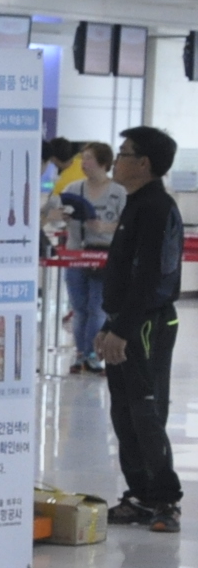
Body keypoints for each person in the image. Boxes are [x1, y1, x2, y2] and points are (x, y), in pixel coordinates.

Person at [100, 125, 184, 533]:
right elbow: (124, 274)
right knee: (124, 412)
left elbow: (150, 276)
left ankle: (165, 499)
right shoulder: (135, 203)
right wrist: (109, 324)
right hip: (126, 321)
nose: (116, 160)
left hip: (148, 323)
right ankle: (140, 496)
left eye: (123, 153)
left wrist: (124, 329)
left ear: (143, 163)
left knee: (146, 412)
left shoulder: (156, 207)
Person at [54, 141, 125, 373]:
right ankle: (81, 354)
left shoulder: (118, 191)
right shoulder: (74, 189)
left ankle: (92, 354)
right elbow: (55, 214)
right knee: (79, 308)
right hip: (76, 253)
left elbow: (127, 225)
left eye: (89, 159)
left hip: (105, 255)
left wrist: (103, 227)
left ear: (103, 163)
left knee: (97, 307)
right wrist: (62, 217)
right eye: (82, 158)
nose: (83, 163)